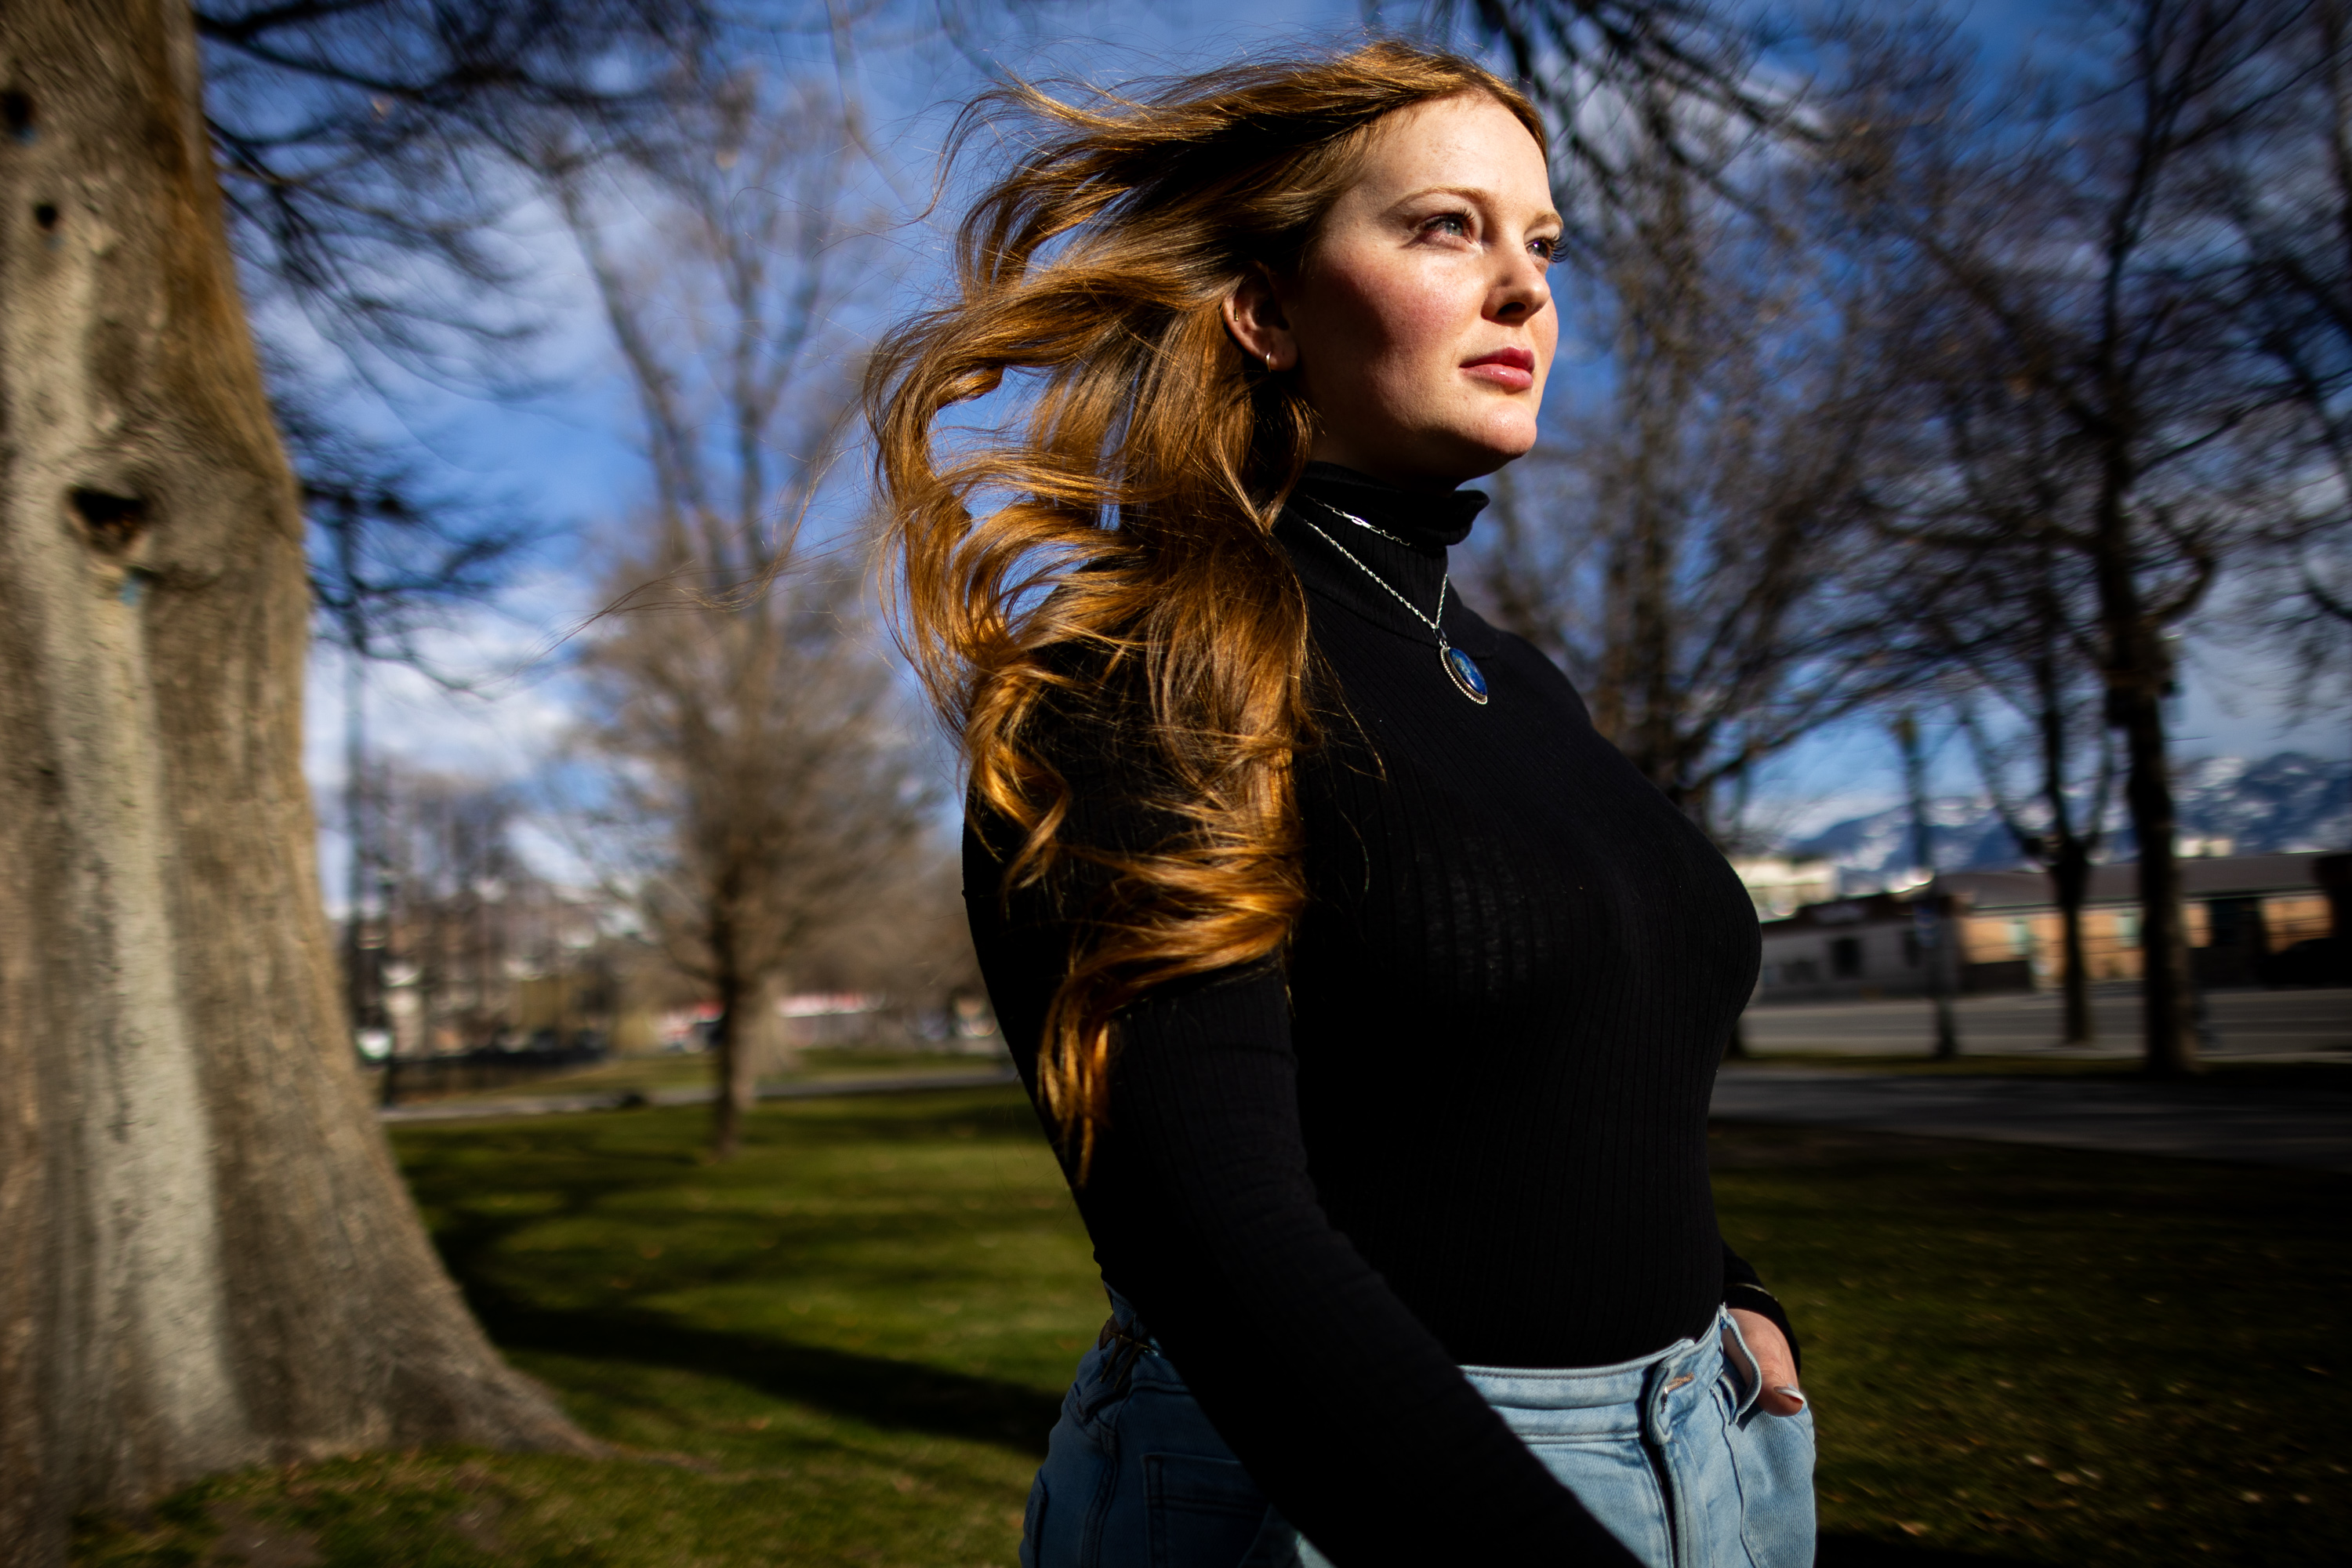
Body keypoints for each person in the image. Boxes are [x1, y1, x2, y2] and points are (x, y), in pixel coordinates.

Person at [868, 40, 1813, 1568]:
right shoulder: (1144, 669)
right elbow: (1210, 1232)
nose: (1526, 287)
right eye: (1448, 226)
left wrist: (1735, 1296)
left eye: (1545, 242)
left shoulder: (1517, 676)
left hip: (1707, 1454)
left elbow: (1563, 1071)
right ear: (1264, 308)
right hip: (1342, 1500)